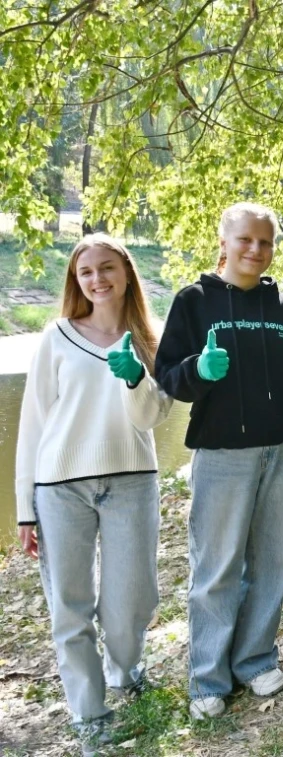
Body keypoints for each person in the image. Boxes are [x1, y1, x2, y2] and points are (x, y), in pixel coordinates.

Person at [154, 203, 283, 720]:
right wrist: (198, 370)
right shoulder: (193, 301)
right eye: (246, 240)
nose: (256, 250)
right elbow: (167, 374)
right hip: (222, 457)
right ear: (224, 240)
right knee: (216, 570)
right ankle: (208, 678)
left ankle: (255, 660)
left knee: (276, 562)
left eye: (266, 242)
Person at [15, 234, 172, 754]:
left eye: (107, 268)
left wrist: (134, 380)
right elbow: (33, 425)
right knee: (70, 606)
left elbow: (151, 417)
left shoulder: (150, 337)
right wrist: (24, 508)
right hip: (61, 487)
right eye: (86, 272)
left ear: (126, 272)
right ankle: (89, 714)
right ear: (76, 280)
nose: (97, 279)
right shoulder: (57, 335)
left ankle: (125, 671)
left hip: (132, 480)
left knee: (133, 598)